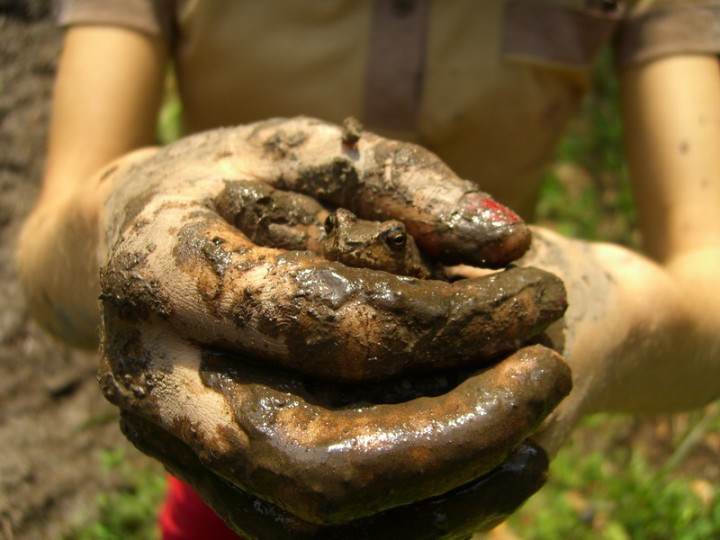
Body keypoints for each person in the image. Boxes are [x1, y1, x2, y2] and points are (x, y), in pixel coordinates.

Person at [16, 0, 720, 538]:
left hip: (468, 450)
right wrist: (123, 210)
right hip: (223, 434)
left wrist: (614, 309)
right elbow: (43, 261)